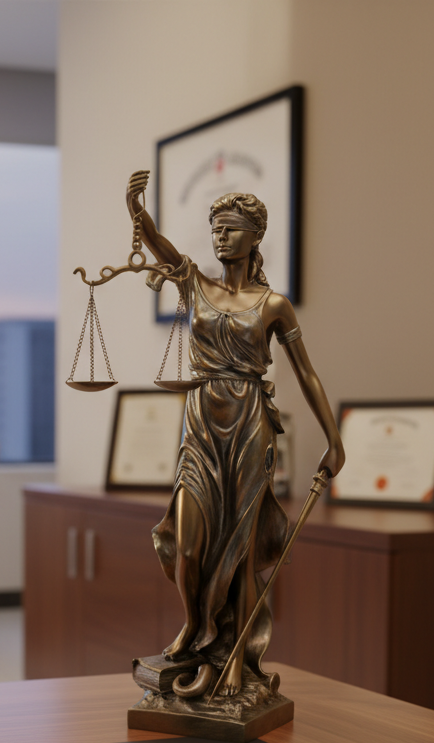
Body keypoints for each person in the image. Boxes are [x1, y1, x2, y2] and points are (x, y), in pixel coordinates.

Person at [125, 169, 345, 699]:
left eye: (229, 228)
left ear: (255, 236)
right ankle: (197, 631)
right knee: (189, 545)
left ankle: (231, 665)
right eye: (215, 228)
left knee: (241, 551)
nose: (219, 236)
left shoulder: (273, 305)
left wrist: (333, 439)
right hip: (201, 422)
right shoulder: (193, 281)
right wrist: (136, 211)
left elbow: (306, 372)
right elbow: (159, 244)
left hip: (250, 426)